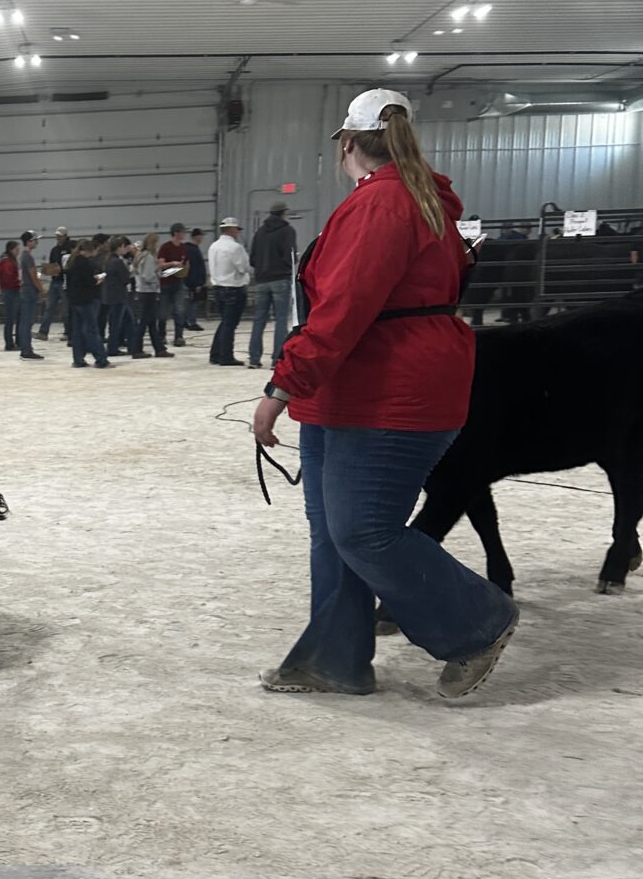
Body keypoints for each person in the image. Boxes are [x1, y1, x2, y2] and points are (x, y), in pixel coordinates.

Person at [253, 88, 518, 703]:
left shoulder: (382, 206)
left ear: (347, 144)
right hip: (355, 391)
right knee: (336, 535)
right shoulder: (416, 202)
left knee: (363, 532)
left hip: (385, 394)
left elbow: (342, 310)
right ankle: (335, 657)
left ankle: (479, 622)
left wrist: (280, 386)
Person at [248, 201, 297, 369]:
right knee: (281, 319)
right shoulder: (287, 231)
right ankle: (277, 359)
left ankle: (254, 359)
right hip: (280, 279)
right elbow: (290, 255)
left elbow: (252, 258)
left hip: (262, 280)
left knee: (259, 319)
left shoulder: (260, 232)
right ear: (283, 213)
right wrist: (288, 267)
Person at [207, 219, 251, 365]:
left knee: (225, 322)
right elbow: (243, 267)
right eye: (237, 229)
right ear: (232, 229)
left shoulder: (213, 246)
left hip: (218, 287)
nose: (238, 232)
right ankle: (226, 356)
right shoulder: (235, 247)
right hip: (234, 288)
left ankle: (215, 354)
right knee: (230, 324)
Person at [65, 236, 112, 369]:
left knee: (77, 331)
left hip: (75, 301)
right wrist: (98, 279)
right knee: (91, 330)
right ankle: (101, 359)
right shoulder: (84, 263)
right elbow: (90, 283)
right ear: (88, 250)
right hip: (86, 300)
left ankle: (78, 359)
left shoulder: (71, 261)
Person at [130, 232, 173, 359]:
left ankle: (159, 349)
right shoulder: (148, 257)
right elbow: (148, 276)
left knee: (150, 322)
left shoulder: (140, 256)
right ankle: (137, 349)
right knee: (144, 322)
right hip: (149, 292)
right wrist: (158, 275)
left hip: (142, 292)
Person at [159, 223, 192, 346]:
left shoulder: (183, 247)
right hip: (166, 282)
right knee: (163, 312)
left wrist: (185, 268)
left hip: (178, 282)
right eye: (183, 232)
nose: (184, 234)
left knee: (180, 310)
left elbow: (186, 263)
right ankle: (161, 336)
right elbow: (160, 265)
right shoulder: (165, 247)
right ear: (176, 233)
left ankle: (179, 336)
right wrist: (172, 263)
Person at [102, 236, 135, 356]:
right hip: (119, 296)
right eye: (122, 247)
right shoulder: (117, 261)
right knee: (120, 323)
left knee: (119, 322)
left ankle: (129, 347)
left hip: (110, 296)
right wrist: (131, 271)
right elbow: (125, 279)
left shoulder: (108, 259)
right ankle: (113, 348)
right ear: (119, 247)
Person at [37, 229, 70, 341]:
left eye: (60, 236)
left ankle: (68, 332)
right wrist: (48, 269)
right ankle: (43, 332)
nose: (58, 238)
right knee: (49, 307)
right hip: (55, 281)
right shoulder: (54, 250)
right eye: (57, 236)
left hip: (64, 282)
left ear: (65, 236)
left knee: (66, 309)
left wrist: (62, 270)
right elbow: (51, 264)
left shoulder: (69, 248)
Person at [16, 231, 45, 359]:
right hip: (29, 292)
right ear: (29, 242)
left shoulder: (23, 256)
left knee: (25, 321)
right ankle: (26, 350)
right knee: (27, 322)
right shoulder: (28, 257)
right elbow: (33, 276)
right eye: (35, 240)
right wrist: (41, 289)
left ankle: (25, 348)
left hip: (25, 291)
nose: (36, 242)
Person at [0, 240, 22, 350]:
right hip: (10, 291)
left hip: (13, 290)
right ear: (11, 250)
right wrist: (19, 281)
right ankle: (9, 343)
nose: (18, 252)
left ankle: (18, 341)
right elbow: (8, 277)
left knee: (16, 317)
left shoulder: (11, 260)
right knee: (10, 318)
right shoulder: (6, 262)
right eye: (17, 249)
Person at [185, 229, 208, 330]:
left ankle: (187, 320)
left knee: (191, 301)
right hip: (193, 281)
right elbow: (194, 267)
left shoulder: (192, 248)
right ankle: (191, 321)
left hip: (192, 280)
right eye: (201, 236)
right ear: (197, 237)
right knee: (193, 302)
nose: (202, 238)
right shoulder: (192, 250)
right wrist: (197, 283)